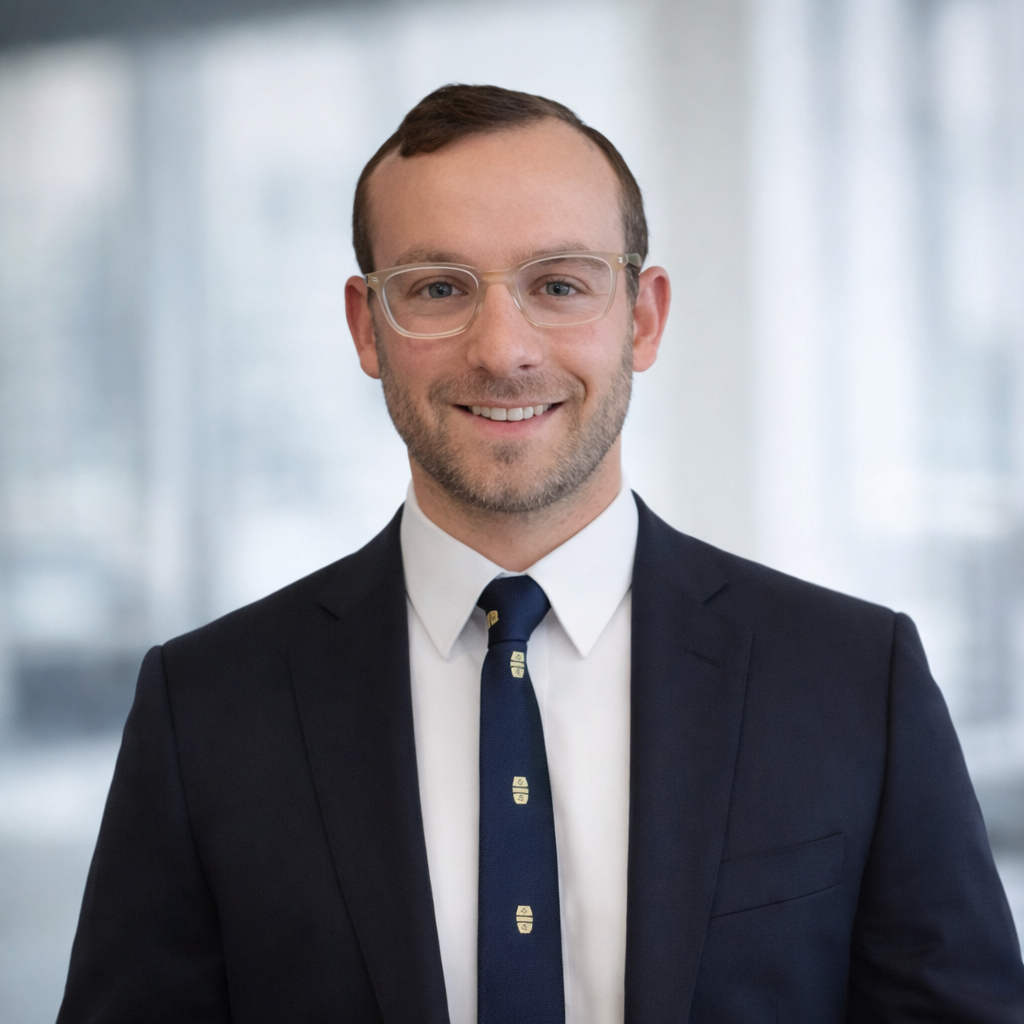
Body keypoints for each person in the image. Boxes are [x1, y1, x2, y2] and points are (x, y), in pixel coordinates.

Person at [58, 84, 1023, 1024]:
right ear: (366, 328)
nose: (504, 348)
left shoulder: (854, 680)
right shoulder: (207, 710)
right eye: (438, 289)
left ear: (642, 318)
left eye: (559, 285)